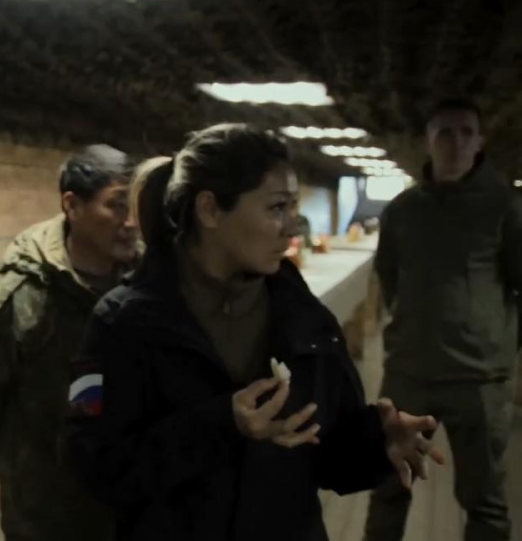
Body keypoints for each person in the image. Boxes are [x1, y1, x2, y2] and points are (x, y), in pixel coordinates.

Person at [65, 124, 442, 541]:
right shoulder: (123, 324)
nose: (292, 227)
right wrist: (221, 424)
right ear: (210, 210)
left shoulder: (304, 318)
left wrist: (377, 444)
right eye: (277, 207)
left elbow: (330, 458)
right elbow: (95, 467)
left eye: (293, 207)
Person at [0, 144, 138, 541]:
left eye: (134, 205)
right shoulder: (19, 299)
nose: (131, 221)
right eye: (117, 205)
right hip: (48, 518)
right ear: (73, 206)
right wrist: (23, 468)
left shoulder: (147, 284)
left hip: (131, 506)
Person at [364, 99, 522, 541]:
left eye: (467, 132)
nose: (457, 143)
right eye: (445, 133)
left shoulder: (504, 207)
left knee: (484, 499)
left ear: (480, 142)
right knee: (388, 483)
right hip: (409, 373)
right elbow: (389, 277)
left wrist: (501, 346)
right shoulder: (403, 210)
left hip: (480, 379)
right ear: (428, 142)